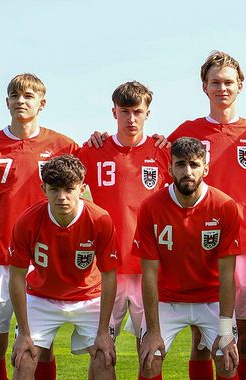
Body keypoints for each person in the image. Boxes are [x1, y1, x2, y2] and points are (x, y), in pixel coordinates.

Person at [0, 73, 78, 380]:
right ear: (7, 102)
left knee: (41, 346)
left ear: (43, 103)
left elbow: (83, 198)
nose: (21, 101)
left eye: (28, 96)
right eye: (15, 95)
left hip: (43, 263)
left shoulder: (63, 146)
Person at [165, 50, 246, 380]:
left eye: (228, 82)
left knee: (240, 334)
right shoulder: (186, 132)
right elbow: (152, 168)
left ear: (240, 86)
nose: (222, 88)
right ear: (204, 87)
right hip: (201, 249)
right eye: (215, 82)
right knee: (201, 337)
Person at [133, 137, 240, 380]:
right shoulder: (151, 207)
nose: (187, 172)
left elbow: (228, 274)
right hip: (167, 300)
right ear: (170, 168)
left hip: (212, 299)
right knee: (150, 359)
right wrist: (153, 332)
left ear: (206, 168)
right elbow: (148, 273)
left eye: (194, 165)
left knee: (227, 360)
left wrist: (226, 332)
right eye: (180, 164)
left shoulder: (225, 206)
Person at [6, 155, 120, 380]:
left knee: (104, 358)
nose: (62, 197)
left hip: (89, 298)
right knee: (24, 359)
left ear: (82, 188)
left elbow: (110, 276)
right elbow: (16, 277)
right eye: (54, 190)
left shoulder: (100, 220)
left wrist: (103, 331)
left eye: (69, 190)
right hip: (41, 297)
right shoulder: (27, 221)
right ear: (43, 188)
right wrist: (24, 332)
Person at [77, 81, 170, 361]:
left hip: (149, 269)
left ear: (148, 114)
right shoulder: (94, 151)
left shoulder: (164, 152)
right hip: (106, 269)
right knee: (101, 353)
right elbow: (63, 189)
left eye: (138, 112)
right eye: (125, 111)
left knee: (152, 355)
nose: (131, 119)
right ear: (114, 112)